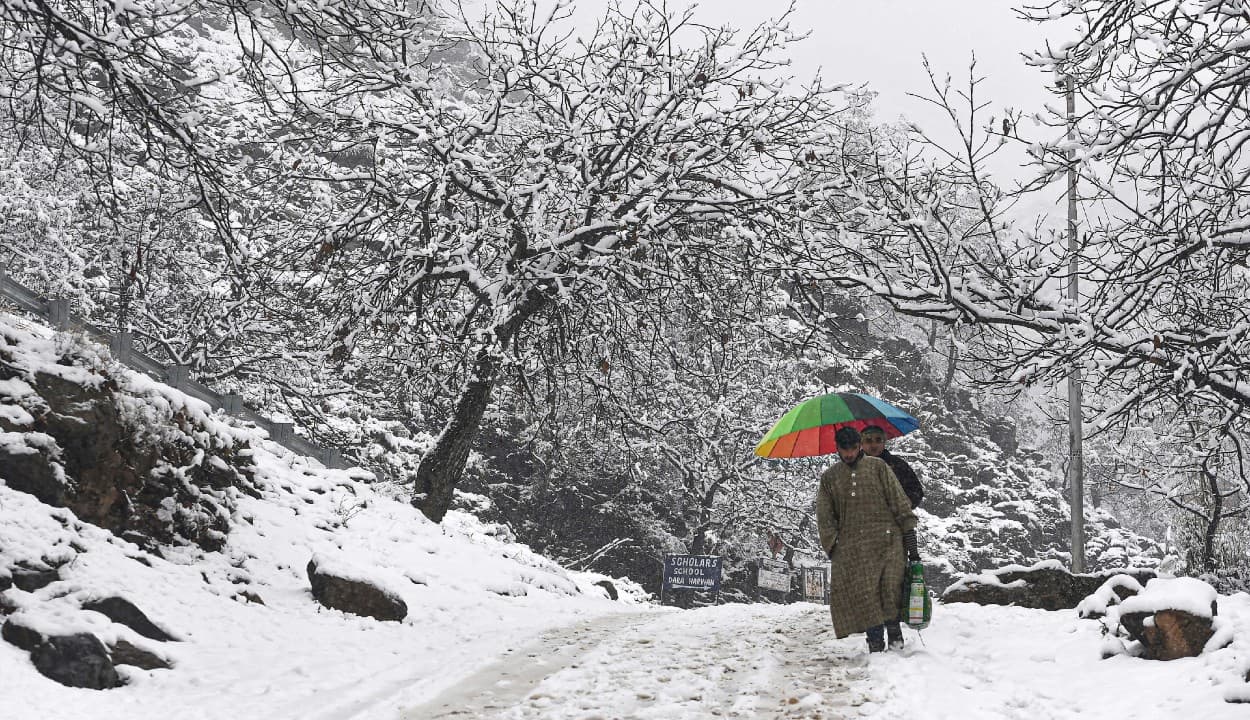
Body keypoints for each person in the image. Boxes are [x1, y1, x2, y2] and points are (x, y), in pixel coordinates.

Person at [816, 426, 920, 653]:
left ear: (859, 446)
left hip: (888, 543)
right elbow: (825, 517)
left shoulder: (879, 467)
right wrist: (835, 546)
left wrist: (911, 542)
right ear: (838, 449)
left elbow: (900, 503)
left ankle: (896, 644)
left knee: (890, 592)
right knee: (867, 596)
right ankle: (875, 647)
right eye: (845, 450)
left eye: (854, 448)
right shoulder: (830, 478)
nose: (850, 454)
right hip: (855, 550)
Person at [860, 425, 924, 509]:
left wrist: (899, 504)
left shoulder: (897, 465)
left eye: (878, 440)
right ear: (861, 443)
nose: (874, 445)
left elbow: (916, 491)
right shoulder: (852, 466)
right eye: (868, 441)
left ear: (884, 442)